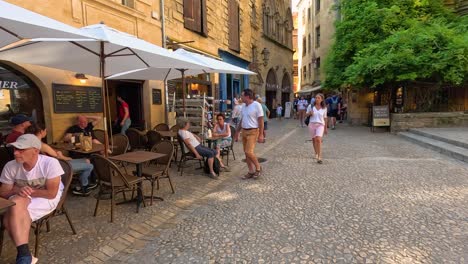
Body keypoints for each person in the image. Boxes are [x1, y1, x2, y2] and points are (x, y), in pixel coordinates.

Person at [0, 134, 64, 264]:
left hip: (47, 196)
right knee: (16, 205)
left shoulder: (50, 163)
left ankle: (25, 256)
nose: (16, 153)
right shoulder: (10, 166)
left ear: (35, 150)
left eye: (21, 150)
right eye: (15, 149)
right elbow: (3, 192)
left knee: (9, 216)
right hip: (22, 195)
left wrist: (29, 191)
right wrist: (18, 190)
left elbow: (51, 193)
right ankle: (25, 256)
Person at [26, 123, 96, 196]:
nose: (46, 132)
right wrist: (67, 158)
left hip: (55, 163)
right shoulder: (42, 145)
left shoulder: (33, 142)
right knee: (90, 166)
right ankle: (83, 187)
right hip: (60, 166)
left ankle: (78, 183)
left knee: (86, 160)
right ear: (41, 132)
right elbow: (60, 157)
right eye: (45, 130)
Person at [234, 89, 264, 180]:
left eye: (242, 96)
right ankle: (251, 171)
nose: (241, 97)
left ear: (247, 96)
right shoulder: (243, 106)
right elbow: (242, 120)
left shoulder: (257, 105)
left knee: (248, 151)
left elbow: (261, 121)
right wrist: (237, 132)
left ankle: (258, 168)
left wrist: (261, 134)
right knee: (246, 153)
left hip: (253, 131)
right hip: (244, 131)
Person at [306, 93, 328, 164]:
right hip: (312, 124)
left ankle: (319, 156)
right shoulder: (311, 106)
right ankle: (316, 153)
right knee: (314, 139)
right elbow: (306, 114)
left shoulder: (324, 108)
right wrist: (310, 113)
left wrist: (325, 128)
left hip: (320, 125)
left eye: (318, 98)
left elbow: (325, 118)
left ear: (322, 99)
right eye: (316, 98)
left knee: (318, 139)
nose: (317, 99)